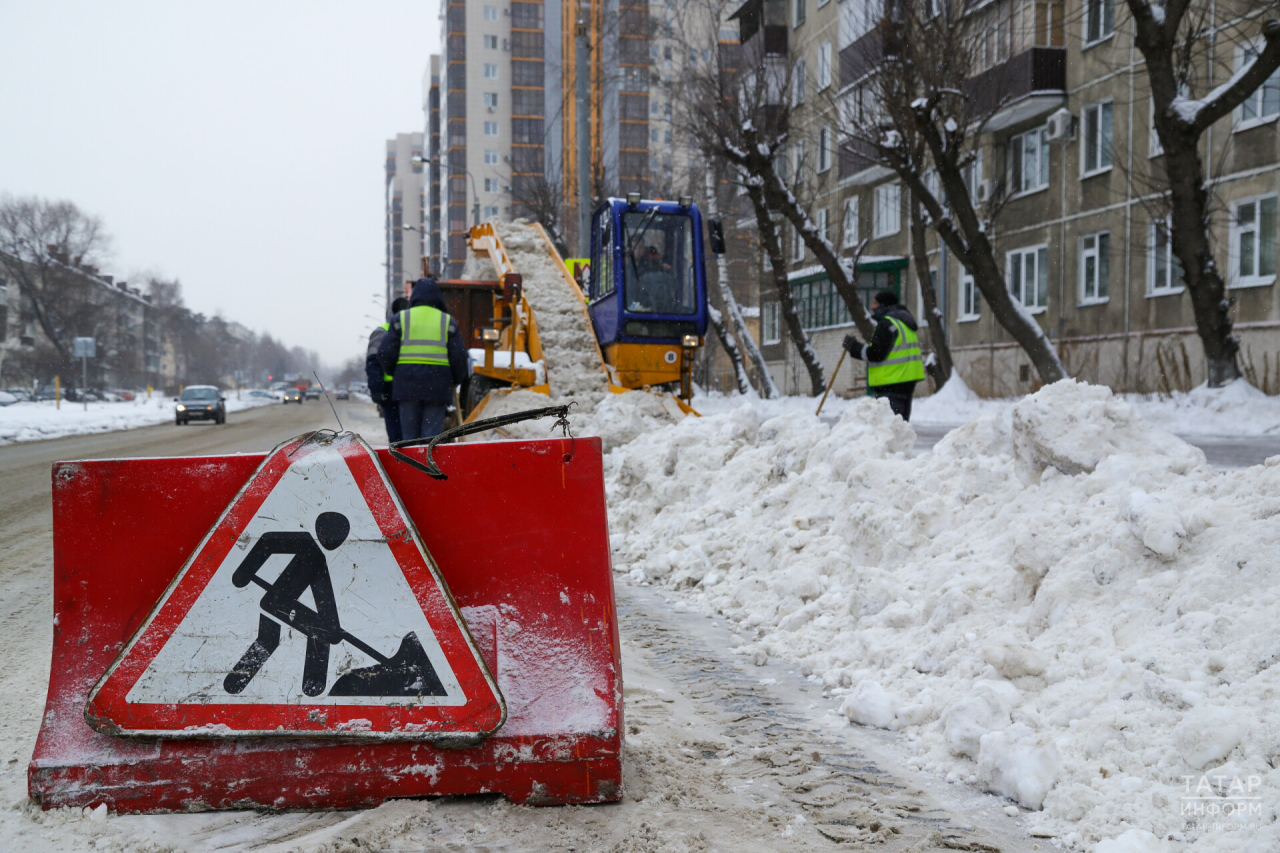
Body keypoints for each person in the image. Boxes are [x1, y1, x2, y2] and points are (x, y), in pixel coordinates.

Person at [377, 277, 470, 441]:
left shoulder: (401, 319)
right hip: (438, 387)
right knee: (431, 438)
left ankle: (411, 458)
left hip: (407, 386)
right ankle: (427, 458)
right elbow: (459, 357)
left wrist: (395, 373)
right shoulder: (448, 322)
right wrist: (455, 379)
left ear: (414, 296)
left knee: (409, 439)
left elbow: (386, 352)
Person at [842, 290, 926, 421]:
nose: (872, 307)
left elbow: (875, 353)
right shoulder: (904, 323)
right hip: (906, 382)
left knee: (889, 426)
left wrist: (854, 347)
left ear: (884, 305)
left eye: (875, 303)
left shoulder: (887, 324)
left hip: (891, 383)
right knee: (900, 425)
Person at [366, 296, 409, 443]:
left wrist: (376, 389)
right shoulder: (384, 332)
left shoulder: (382, 332)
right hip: (395, 390)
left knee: (398, 436)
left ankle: (401, 455)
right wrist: (377, 389)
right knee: (405, 436)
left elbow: (372, 363)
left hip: (393, 390)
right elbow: (373, 362)